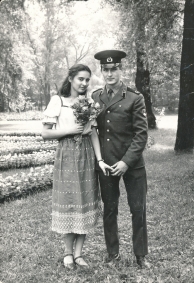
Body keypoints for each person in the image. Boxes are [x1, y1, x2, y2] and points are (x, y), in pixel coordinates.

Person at [42, 64, 111, 270]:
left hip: (87, 155)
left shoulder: (89, 102)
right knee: (70, 201)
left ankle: (79, 254)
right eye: (80, 79)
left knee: (85, 202)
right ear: (71, 78)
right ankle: (67, 253)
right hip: (66, 155)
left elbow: (93, 133)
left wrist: (99, 160)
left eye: (87, 80)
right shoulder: (58, 101)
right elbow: (45, 133)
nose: (84, 83)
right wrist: (69, 129)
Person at [92, 50, 148, 268]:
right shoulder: (96, 97)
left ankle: (140, 255)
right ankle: (112, 254)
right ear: (102, 71)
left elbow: (141, 134)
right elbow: (94, 130)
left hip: (132, 165)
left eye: (113, 69)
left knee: (137, 209)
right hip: (106, 163)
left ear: (120, 69)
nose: (109, 73)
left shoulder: (135, 97)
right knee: (110, 209)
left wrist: (126, 162)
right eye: (105, 70)